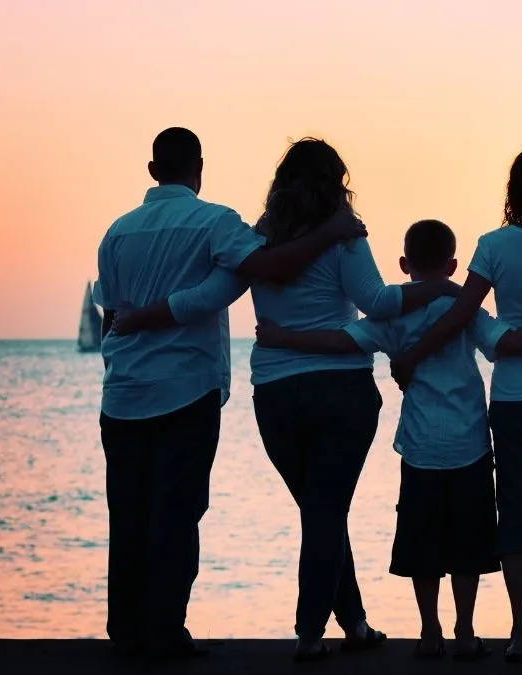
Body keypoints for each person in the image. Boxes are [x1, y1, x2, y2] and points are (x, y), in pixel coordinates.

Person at [115, 139, 459, 662]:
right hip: (340, 392)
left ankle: (356, 623)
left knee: (321, 510)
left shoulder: (257, 242)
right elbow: (379, 301)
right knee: (324, 511)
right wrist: (437, 291)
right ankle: (309, 634)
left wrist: (142, 316)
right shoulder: (344, 238)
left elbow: (210, 296)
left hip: (274, 396)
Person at [253, 219, 522, 661]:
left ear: (404, 264)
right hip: (471, 444)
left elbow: (343, 342)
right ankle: (466, 629)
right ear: (454, 265)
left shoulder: (392, 315)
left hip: (418, 447)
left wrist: (284, 337)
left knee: (425, 544)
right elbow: (504, 343)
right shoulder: (467, 311)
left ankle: (429, 629)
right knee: (468, 546)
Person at [93, 128, 364, 661]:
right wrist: (331, 230)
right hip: (186, 388)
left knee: (127, 515)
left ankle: (126, 632)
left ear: (153, 170)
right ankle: (166, 632)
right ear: (199, 167)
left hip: (121, 393)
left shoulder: (116, 233)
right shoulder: (215, 221)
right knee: (177, 511)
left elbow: (111, 315)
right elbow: (269, 268)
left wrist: (146, 317)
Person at [387, 144, 522, 663]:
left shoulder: (494, 246)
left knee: (515, 512)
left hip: (512, 398)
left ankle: (518, 631)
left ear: (515, 190)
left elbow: (460, 311)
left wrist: (413, 353)